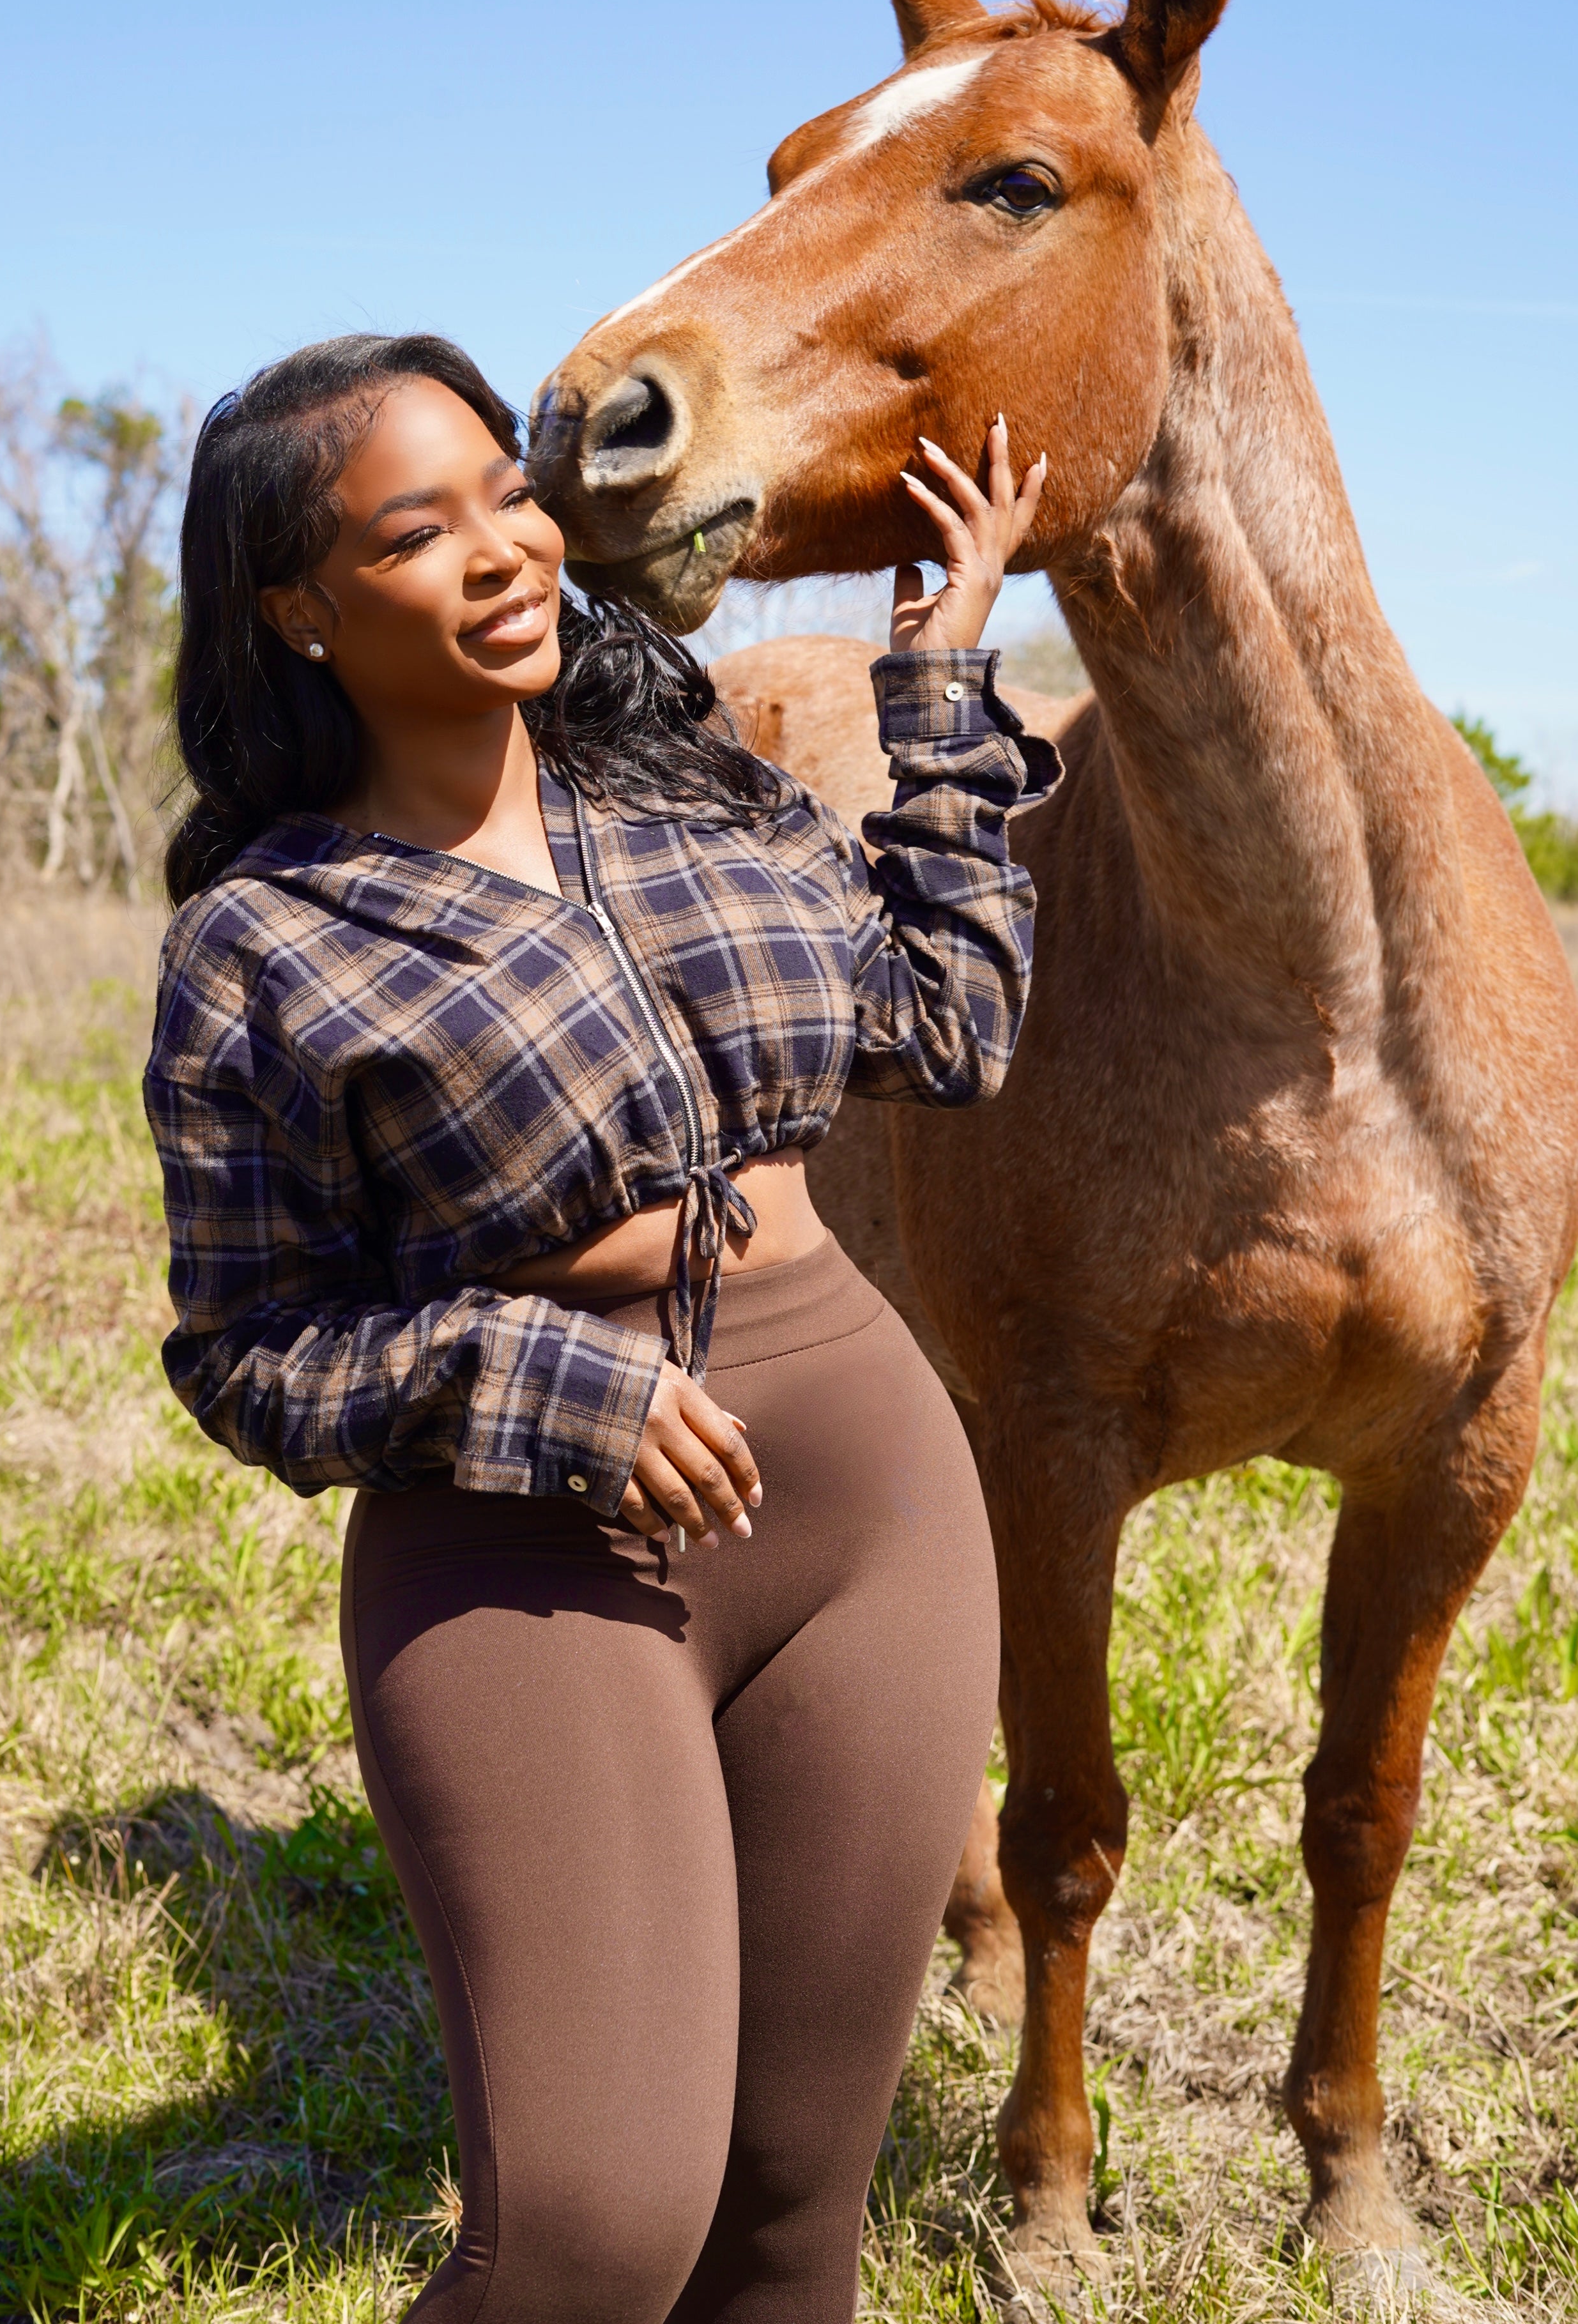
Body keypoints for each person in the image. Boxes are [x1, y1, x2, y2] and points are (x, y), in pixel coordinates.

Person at [144, 332, 1060, 2324]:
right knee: (584, 2239)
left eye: (508, 493)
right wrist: (532, 1379)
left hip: (866, 1497)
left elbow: (950, 1024)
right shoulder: (267, 938)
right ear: (299, 611)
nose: (505, 548)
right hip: (523, 1544)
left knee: (796, 2216)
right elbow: (245, 1347)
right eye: (421, 527)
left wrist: (938, 683)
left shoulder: (697, 796)